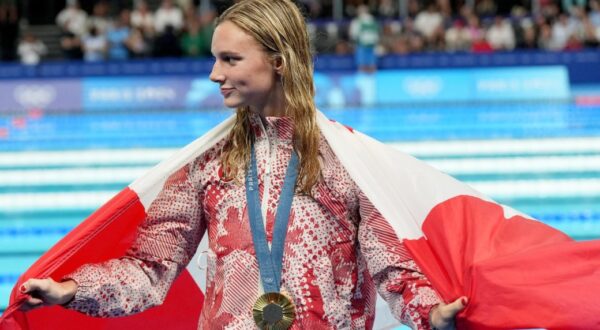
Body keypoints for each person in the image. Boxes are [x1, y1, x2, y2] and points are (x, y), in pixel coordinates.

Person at [18, 0, 465, 329]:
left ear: (278, 60)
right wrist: (70, 290)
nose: (214, 74)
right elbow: (148, 270)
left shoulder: (348, 161)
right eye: (215, 58)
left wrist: (431, 312)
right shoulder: (206, 166)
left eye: (230, 59)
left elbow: (393, 268)